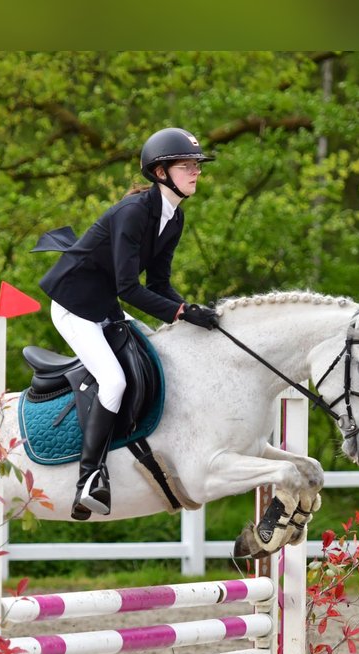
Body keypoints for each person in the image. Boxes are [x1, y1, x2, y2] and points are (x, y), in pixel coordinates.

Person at [38, 126, 220, 521]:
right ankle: (89, 478)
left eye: (197, 166)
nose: (196, 172)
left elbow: (158, 285)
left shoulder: (173, 219)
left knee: (157, 352)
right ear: (160, 172)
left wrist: (191, 310)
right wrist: (181, 313)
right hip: (75, 305)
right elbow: (127, 287)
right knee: (114, 380)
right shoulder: (134, 213)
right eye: (187, 166)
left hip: (104, 304)